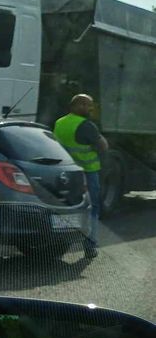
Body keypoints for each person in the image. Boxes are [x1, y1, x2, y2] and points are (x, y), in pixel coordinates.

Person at [53, 94, 110, 258]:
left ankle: (61, 241)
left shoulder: (60, 122)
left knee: (69, 206)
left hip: (67, 171)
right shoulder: (86, 125)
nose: (91, 109)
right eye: (89, 106)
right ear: (80, 105)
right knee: (92, 207)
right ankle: (90, 244)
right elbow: (103, 146)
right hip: (87, 171)